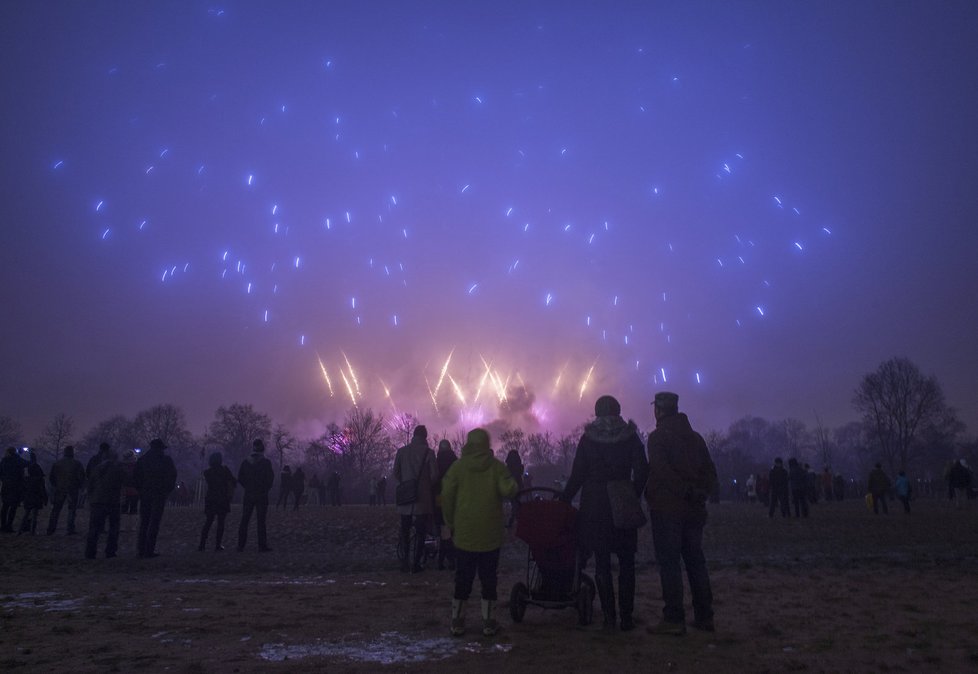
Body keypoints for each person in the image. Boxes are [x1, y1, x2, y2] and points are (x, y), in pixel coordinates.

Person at [562, 395, 649, 631]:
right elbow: (642, 470)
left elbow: (578, 475)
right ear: (618, 411)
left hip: (595, 505)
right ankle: (627, 618)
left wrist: (564, 498)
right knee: (627, 562)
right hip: (623, 502)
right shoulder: (631, 437)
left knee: (601, 562)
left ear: (596, 412)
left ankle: (610, 618)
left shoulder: (588, 439)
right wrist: (632, 494)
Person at [645, 391, 718, 635]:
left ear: (659, 410)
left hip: (667, 510)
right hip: (694, 511)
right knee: (696, 561)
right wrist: (701, 494)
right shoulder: (696, 438)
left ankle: (674, 619)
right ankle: (705, 616)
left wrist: (684, 491)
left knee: (670, 564)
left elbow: (662, 472)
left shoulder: (657, 438)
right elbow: (709, 471)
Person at [441, 428, 519, 637]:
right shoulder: (496, 467)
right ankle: (489, 622)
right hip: (490, 534)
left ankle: (457, 621)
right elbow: (509, 489)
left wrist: (450, 521)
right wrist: (512, 478)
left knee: (463, 578)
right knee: (489, 578)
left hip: (465, 533)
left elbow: (447, 495)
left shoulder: (458, 468)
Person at [393, 425, 438, 573]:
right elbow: (434, 476)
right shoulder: (428, 453)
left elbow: (396, 473)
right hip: (422, 500)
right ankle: (417, 563)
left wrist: (405, 484)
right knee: (421, 532)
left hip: (405, 498)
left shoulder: (401, 451)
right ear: (425, 437)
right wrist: (425, 487)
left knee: (405, 531)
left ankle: (404, 562)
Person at [134, 438, 178, 558]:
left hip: (145, 493)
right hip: (159, 494)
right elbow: (172, 475)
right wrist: (167, 490)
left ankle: (141, 549)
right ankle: (149, 549)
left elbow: (136, 477)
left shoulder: (142, 460)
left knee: (144, 522)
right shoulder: (165, 460)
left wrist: (141, 490)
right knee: (154, 523)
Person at [85, 447, 125, 559]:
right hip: (113, 501)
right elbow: (126, 480)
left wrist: (91, 498)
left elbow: (90, 484)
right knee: (113, 528)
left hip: (97, 501)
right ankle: (110, 551)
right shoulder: (117, 469)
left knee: (94, 528)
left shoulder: (97, 469)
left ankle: (90, 552)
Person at [237, 439, 274, 552]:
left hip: (249, 494)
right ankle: (262, 545)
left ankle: (241, 545)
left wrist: (248, 487)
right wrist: (265, 489)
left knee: (245, 520)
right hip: (261, 495)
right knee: (261, 521)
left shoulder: (245, 462)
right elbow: (270, 478)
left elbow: (240, 478)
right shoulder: (266, 463)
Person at [199, 452, 236, 551]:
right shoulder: (224, 470)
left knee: (208, 521)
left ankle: (202, 544)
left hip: (211, 498)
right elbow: (233, 481)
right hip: (222, 498)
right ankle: (217, 545)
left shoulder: (207, 472)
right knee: (221, 522)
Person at [47, 445, 86, 535]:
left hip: (60, 489)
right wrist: (80, 486)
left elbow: (51, 477)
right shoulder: (77, 464)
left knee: (56, 510)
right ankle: (70, 528)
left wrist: (56, 485)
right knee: (72, 510)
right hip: (72, 489)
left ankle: (51, 529)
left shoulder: (57, 464)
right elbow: (81, 477)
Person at [435, 439, 459, 570]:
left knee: (444, 529)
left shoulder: (436, 462)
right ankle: (451, 558)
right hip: (453, 498)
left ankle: (443, 559)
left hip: (439, 497)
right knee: (452, 530)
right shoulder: (455, 462)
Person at [18, 451, 48, 534]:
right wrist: (45, 498)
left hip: (28, 498)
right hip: (37, 498)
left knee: (26, 514)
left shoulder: (26, 480)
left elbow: (23, 490)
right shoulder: (39, 480)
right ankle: (32, 531)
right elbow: (42, 489)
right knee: (35, 515)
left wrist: (21, 498)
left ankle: (20, 530)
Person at [0, 447, 26, 533]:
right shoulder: (17, 460)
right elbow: (27, 463)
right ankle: (9, 526)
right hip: (16, 487)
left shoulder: (4, 461)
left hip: (6, 486)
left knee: (5, 507)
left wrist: (4, 480)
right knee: (13, 507)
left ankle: (3, 526)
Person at [504, 449, 525, 529]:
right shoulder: (514, 465)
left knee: (515, 504)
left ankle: (514, 521)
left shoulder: (512, 466)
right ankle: (516, 521)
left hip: (515, 486)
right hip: (515, 486)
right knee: (516, 504)